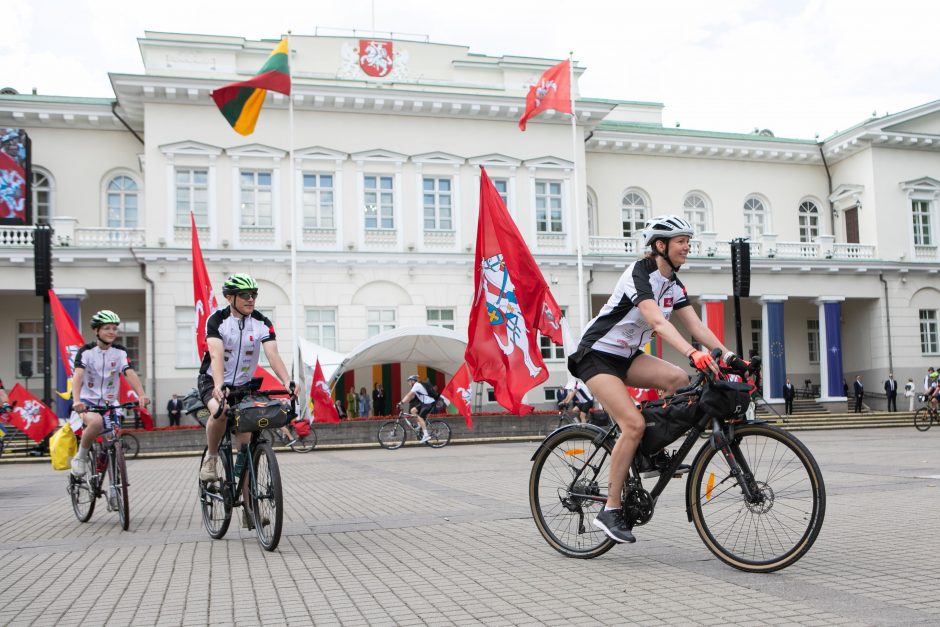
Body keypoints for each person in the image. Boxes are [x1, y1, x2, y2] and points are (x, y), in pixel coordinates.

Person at [568, 215, 732, 544]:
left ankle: (646, 453)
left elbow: (697, 327)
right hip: (595, 354)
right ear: (661, 245)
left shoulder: (673, 284)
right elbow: (657, 322)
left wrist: (729, 356)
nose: (687, 246)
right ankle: (611, 509)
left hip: (626, 356)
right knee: (633, 424)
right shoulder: (639, 274)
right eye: (681, 241)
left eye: (688, 240)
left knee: (678, 380)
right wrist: (692, 352)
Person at [197, 274, 295, 529]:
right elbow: (216, 355)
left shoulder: (262, 322)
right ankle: (212, 457)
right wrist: (219, 385)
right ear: (230, 297)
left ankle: (249, 507)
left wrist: (287, 382)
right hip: (212, 380)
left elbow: (272, 355)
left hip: (244, 386)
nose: (251, 299)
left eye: (254, 294)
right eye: (244, 295)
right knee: (219, 411)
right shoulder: (217, 320)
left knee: (247, 445)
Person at [69, 310, 151, 478]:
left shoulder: (120, 352)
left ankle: (114, 491)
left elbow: (129, 372)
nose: (112, 332)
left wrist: (141, 394)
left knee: (113, 441)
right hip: (87, 401)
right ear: (96, 330)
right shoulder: (86, 351)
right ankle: (81, 457)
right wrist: (76, 400)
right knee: (96, 422)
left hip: (110, 403)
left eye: (114, 328)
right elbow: (78, 375)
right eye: (107, 328)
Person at [399, 374, 435, 443]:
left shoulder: (416, 385)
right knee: (413, 410)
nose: (408, 383)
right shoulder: (416, 386)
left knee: (420, 417)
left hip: (428, 403)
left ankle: (426, 435)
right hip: (424, 403)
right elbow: (411, 396)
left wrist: (401, 402)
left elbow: (409, 395)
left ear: (413, 381)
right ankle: (419, 426)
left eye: (409, 381)